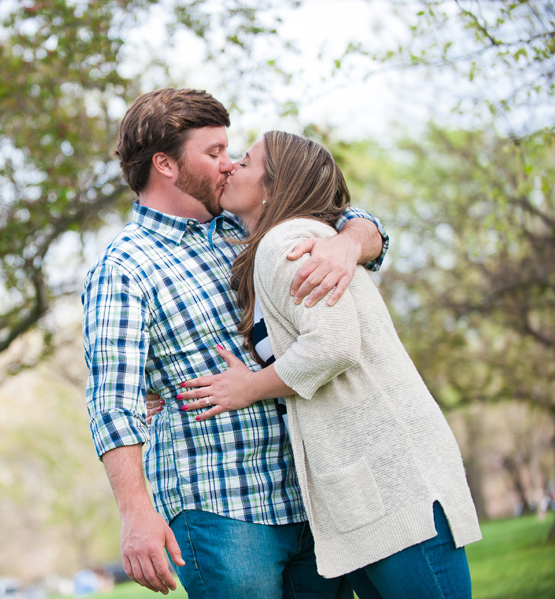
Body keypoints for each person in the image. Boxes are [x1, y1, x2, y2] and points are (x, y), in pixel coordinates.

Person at [82, 88, 388, 598]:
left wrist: (346, 244)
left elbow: (367, 226)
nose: (229, 164)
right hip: (221, 508)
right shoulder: (123, 268)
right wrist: (136, 513)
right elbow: (113, 403)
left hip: (311, 492)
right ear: (166, 165)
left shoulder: (252, 225)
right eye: (214, 152)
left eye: (229, 151)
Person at [171, 131, 482, 598]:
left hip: (394, 487)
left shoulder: (287, 242)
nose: (232, 165)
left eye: (246, 161)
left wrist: (250, 387)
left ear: (272, 189)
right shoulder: (276, 241)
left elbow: (334, 344)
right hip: (365, 496)